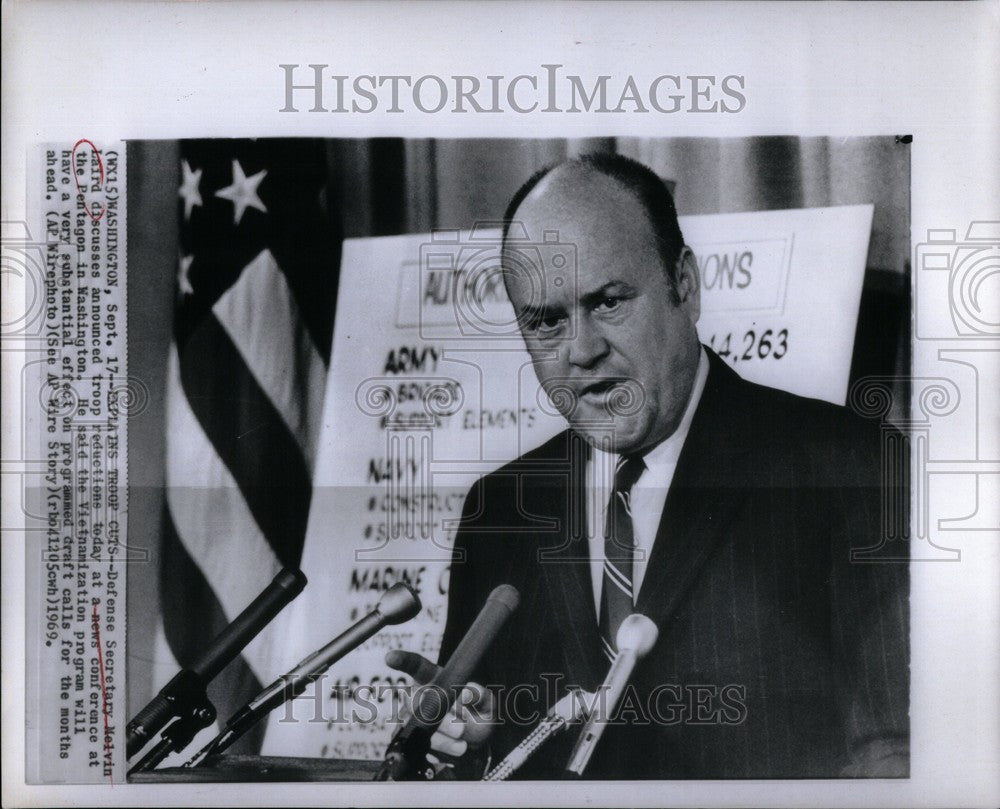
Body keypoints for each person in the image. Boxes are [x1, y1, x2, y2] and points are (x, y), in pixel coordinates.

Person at [387, 154, 909, 779]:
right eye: (547, 320)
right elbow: (467, 749)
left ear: (684, 286)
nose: (581, 351)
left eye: (608, 302)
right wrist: (467, 749)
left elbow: (892, 755)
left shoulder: (849, 467)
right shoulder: (498, 508)